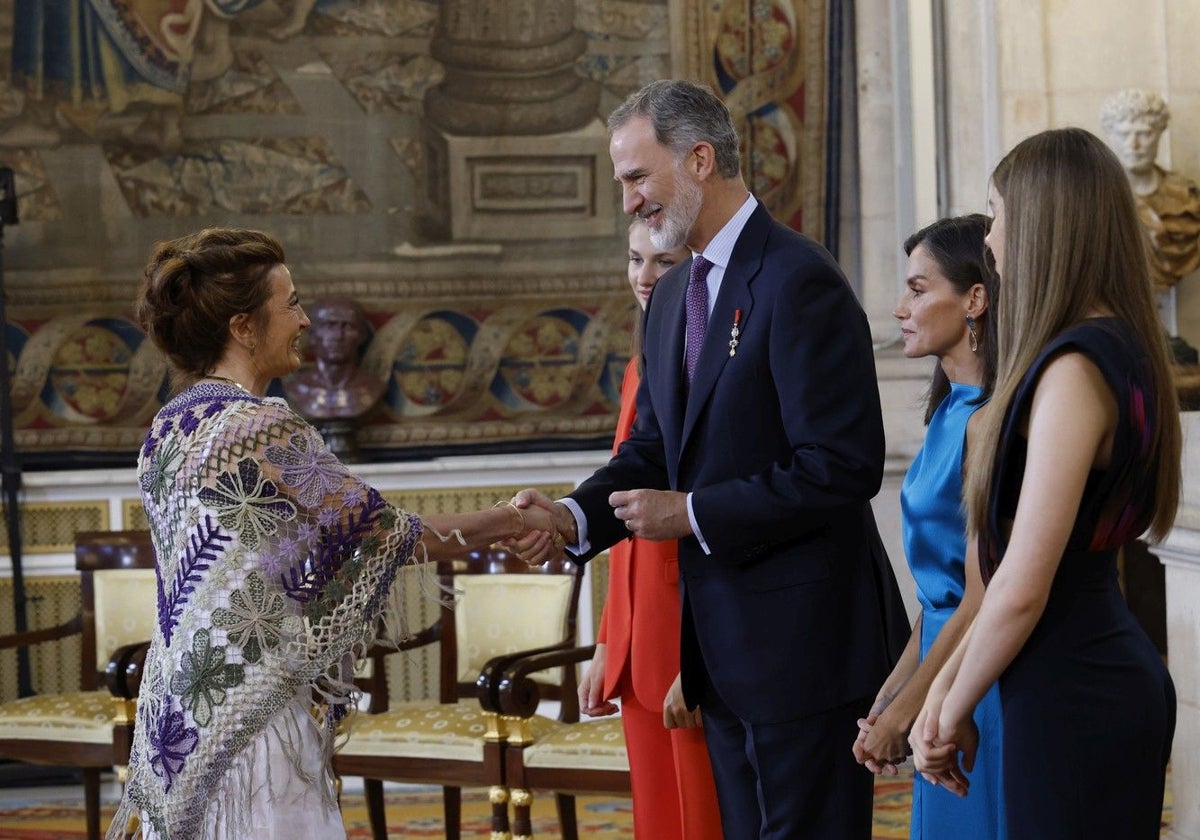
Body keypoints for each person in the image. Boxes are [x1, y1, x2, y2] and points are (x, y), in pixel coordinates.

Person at [512, 79, 908, 840]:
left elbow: (842, 464)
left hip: (805, 655)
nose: (627, 201)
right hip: (720, 659)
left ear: (699, 159)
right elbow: (650, 452)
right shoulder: (672, 296)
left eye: (636, 177)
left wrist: (691, 513)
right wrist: (571, 516)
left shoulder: (799, 279)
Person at [108, 227, 559, 840]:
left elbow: (279, 557)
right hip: (253, 722)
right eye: (290, 303)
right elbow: (386, 536)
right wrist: (511, 519)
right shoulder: (258, 427)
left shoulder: (169, 426)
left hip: (182, 713)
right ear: (243, 327)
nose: (304, 318)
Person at [909, 128, 1180, 839]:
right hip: (1081, 678)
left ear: (1042, 222)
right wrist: (944, 696)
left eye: (996, 212)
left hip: (1076, 694)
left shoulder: (1073, 368)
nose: (991, 238)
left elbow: (1022, 586)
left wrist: (944, 710)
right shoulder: (1118, 346)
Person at [851, 215, 1006, 838]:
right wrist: (890, 697)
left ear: (975, 299)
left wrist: (917, 707)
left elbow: (982, 592)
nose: (898, 308)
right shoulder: (950, 411)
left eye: (918, 289)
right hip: (939, 667)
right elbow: (939, 594)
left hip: (981, 681)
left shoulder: (992, 419)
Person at [577, 219, 723, 839]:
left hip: (688, 631)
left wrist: (700, 661)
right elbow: (625, 516)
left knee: (701, 813)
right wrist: (610, 639)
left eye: (662, 263)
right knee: (658, 819)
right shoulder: (641, 367)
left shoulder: (709, 366)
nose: (643, 278)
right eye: (634, 260)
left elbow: (714, 512)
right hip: (639, 637)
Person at [1099, 89, 1200, 291]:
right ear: (1110, 136)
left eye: (1144, 133)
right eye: (1124, 134)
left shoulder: (1186, 196)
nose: (1133, 145)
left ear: (1160, 133)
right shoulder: (1098, 199)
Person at [284, 297, 385, 421]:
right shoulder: (297, 389)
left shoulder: (372, 388)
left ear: (362, 334)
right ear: (312, 334)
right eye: (329, 326)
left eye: (348, 326)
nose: (338, 336)